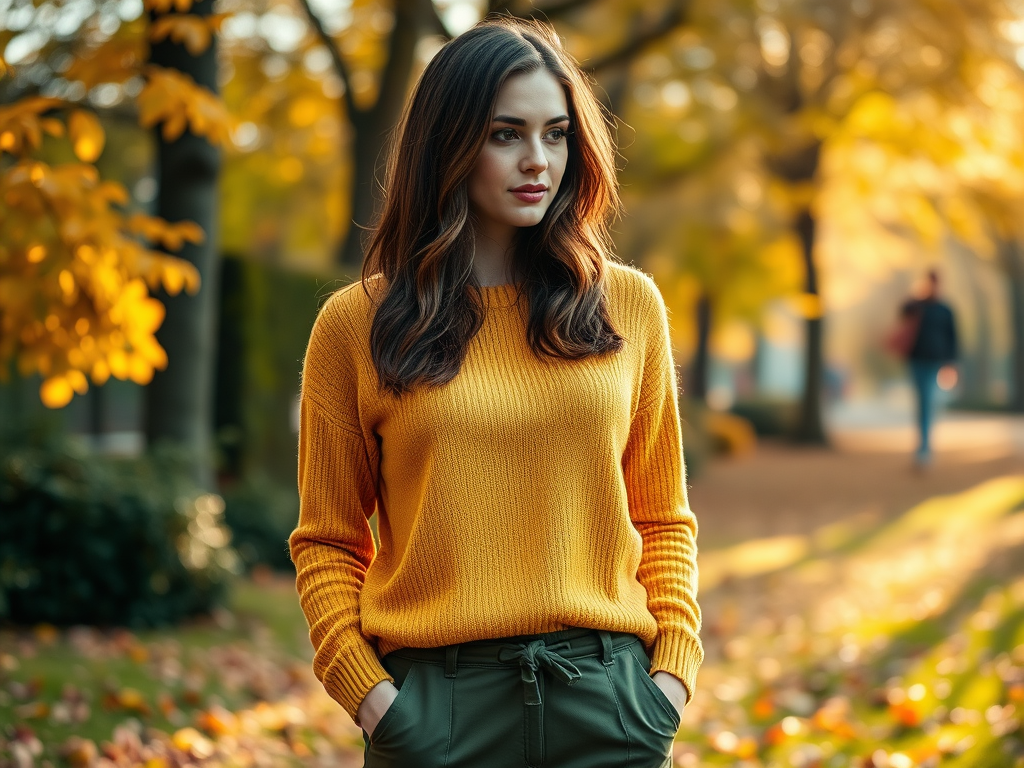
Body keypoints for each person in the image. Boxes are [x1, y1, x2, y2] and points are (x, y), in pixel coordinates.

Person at [289, 17, 703, 768]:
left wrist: (669, 677)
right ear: (448, 144)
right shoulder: (355, 326)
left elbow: (663, 517)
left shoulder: (629, 307)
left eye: (556, 134)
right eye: (505, 134)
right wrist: (374, 699)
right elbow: (327, 540)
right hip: (433, 714)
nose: (537, 160)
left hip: (609, 704)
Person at [897, 269, 958, 468]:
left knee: (928, 401)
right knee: (923, 401)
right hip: (916, 360)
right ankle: (923, 448)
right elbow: (902, 314)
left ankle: (924, 448)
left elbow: (953, 338)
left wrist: (951, 364)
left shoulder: (945, 310)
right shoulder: (916, 305)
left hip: (935, 362)